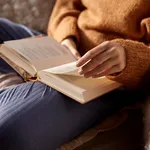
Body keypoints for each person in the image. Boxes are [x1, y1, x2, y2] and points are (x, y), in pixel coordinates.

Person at [0, 0, 148, 150]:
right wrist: (66, 37)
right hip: (64, 50)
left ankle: (23, 92)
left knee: (8, 131)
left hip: (109, 80)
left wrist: (129, 57)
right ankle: (24, 90)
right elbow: (66, 5)